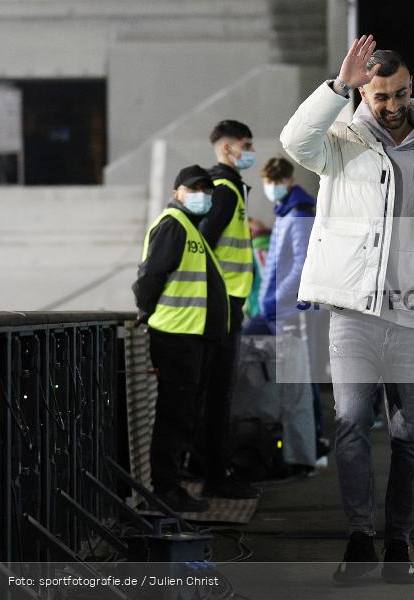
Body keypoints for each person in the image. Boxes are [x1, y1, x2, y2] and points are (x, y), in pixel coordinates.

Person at [279, 35, 414, 584]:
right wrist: (338, 87)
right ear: (364, 95)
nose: (392, 105)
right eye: (379, 96)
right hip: (355, 314)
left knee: (411, 433)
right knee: (348, 425)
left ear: (413, 89)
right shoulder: (338, 141)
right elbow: (294, 140)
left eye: (400, 93)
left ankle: (399, 543)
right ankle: (361, 536)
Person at [132, 165, 228, 513]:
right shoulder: (173, 224)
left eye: (206, 189)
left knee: (184, 413)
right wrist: (144, 308)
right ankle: (167, 488)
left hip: (191, 334)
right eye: (194, 188)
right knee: (175, 414)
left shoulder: (190, 227)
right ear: (177, 192)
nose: (202, 195)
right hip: (176, 334)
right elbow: (152, 275)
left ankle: (173, 482)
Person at [198, 120, 260, 500]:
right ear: (227, 149)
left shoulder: (229, 188)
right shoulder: (223, 190)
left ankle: (214, 471)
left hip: (228, 306)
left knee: (218, 394)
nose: (251, 151)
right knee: (217, 396)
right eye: (246, 144)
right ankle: (214, 478)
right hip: (220, 309)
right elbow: (204, 244)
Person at [258, 155, 329, 471]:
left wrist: (273, 300)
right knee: (301, 378)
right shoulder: (287, 211)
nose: (271, 187)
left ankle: (311, 445)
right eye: (268, 181)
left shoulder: (298, 215)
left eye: (276, 181)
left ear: (288, 180)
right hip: (284, 309)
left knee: (303, 380)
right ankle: (311, 444)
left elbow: (300, 267)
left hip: (292, 311)